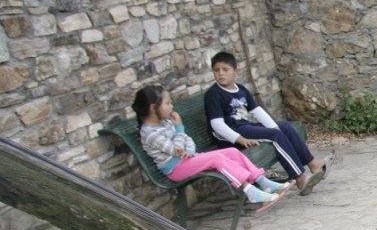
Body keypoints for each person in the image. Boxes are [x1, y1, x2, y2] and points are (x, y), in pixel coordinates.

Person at [133, 85, 290, 212]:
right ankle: (250, 191)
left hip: (189, 159)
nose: (171, 107)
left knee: (232, 151)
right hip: (176, 169)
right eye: (167, 103)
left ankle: (262, 181)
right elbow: (175, 150)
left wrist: (189, 150)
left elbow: (187, 141)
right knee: (217, 159)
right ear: (153, 108)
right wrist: (179, 128)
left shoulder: (166, 123)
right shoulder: (149, 133)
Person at [204, 51, 329, 196]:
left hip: (243, 126)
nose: (221, 74)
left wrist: (275, 127)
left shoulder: (241, 89)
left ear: (236, 71)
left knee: (284, 127)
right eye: (216, 70)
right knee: (275, 136)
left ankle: (313, 164)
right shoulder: (214, 94)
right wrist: (240, 139)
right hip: (231, 135)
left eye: (225, 70)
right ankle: (299, 178)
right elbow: (217, 125)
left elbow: (256, 110)